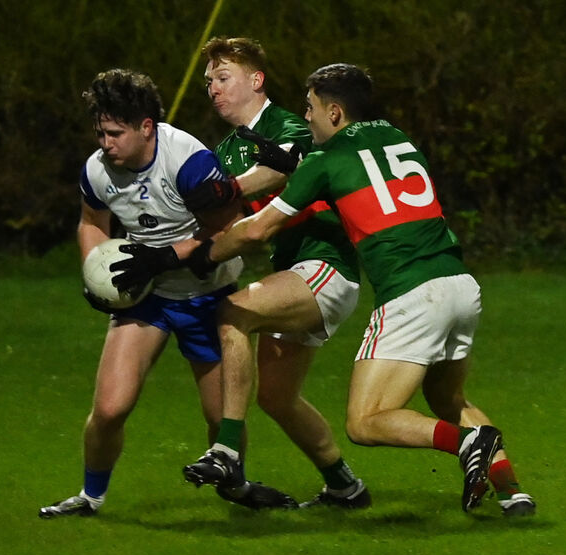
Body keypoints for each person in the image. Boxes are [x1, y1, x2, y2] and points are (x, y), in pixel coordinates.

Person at [183, 63, 536, 514]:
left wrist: (200, 255)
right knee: (448, 398)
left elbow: (256, 231)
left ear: (334, 112)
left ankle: (468, 443)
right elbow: (364, 184)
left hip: (412, 293)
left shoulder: (325, 160)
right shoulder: (397, 137)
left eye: (310, 108)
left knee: (365, 422)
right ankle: (512, 492)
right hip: (461, 285)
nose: (305, 119)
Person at [38, 68, 292, 518]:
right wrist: (94, 274)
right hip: (145, 298)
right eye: (100, 132)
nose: (105, 143)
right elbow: (91, 222)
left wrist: (165, 258)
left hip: (207, 294)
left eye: (115, 133)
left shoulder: (188, 162)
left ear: (146, 127)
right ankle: (90, 496)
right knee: (110, 408)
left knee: (220, 419)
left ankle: (235, 484)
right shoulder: (98, 170)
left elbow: (223, 229)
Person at [178, 38, 370, 508]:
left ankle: (225, 451)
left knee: (234, 312)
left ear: (256, 80)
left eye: (223, 78)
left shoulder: (296, 123)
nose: (213, 90)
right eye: (208, 83)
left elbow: (280, 171)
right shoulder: (226, 150)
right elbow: (222, 218)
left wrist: (220, 191)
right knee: (278, 398)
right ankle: (346, 487)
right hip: (294, 274)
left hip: (327, 264)